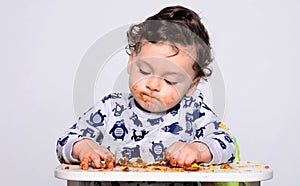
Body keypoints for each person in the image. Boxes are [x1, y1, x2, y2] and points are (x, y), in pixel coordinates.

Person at [56, 5, 236, 178]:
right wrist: (83, 148)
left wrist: (198, 150)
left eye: (169, 80)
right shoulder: (110, 109)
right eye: (144, 70)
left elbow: (227, 143)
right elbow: (67, 139)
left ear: (191, 85)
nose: (152, 84)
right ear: (131, 61)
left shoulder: (193, 113)